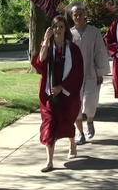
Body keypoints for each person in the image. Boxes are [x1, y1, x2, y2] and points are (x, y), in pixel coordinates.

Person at [31, 15, 84, 172]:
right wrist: (45, 41)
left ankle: (72, 143)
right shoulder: (47, 45)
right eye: (55, 27)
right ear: (51, 29)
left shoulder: (72, 49)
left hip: (66, 93)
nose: (58, 30)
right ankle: (49, 161)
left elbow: (77, 72)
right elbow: (40, 63)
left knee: (66, 120)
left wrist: (63, 87)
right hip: (49, 93)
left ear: (65, 29)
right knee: (50, 122)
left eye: (61, 27)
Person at [65, 1, 110, 145]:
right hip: (74, 76)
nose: (78, 17)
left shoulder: (94, 32)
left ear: (85, 15)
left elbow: (100, 52)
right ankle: (80, 133)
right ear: (72, 17)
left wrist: (100, 72)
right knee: (76, 106)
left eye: (80, 14)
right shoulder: (70, 34)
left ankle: (90, 120)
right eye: (75, 15)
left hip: (91, 72)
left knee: (89, 103)